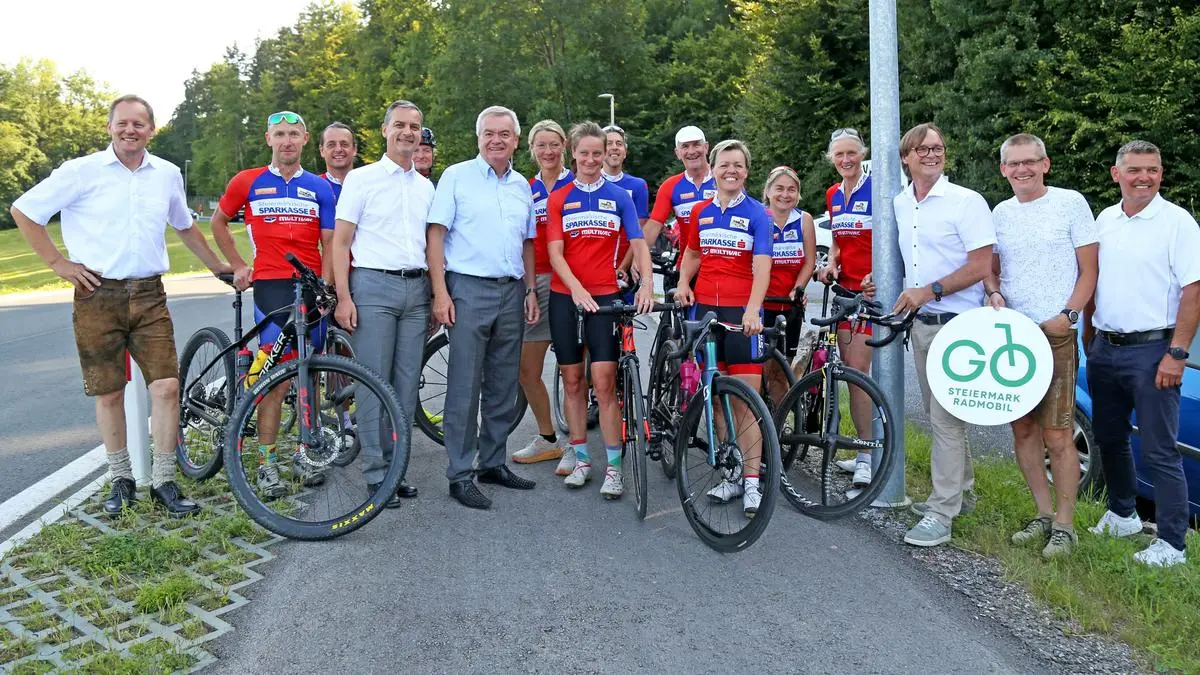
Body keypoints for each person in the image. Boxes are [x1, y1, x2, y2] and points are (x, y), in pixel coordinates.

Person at [10, 94, 231, 518]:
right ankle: (121, 479)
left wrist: (218, 266)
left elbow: (185, 226)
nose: (131, 130)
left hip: (149, 294)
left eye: (139, 124)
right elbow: (24, 211)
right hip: (97, 295)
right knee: (109, 392)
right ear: (110, 127)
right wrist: (58, 263)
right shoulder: (80, 171)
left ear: (151, 129)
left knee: (166, 387)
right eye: (123, 123)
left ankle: (165, 481)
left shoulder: (166, 174)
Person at [210, 110, 337, 498]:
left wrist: (328, 286)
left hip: (310, 286)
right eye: (280, 134)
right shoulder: (247, 181)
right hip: (271, 287)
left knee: (310, 373)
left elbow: (330, 242)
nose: (286, 141)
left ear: (304, 139)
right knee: (276, 378)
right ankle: (266, 462)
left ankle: (303, 452)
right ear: (268, 139)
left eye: (294, 134)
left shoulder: (319, 186)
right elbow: (218, 222)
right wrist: (236, 264)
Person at [1084, 140, 1199, 567]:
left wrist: (1178, 353)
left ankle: (1172, 543)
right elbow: (1096, 280)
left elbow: (1194, 290)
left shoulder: (1177, 223)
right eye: (1134, 169)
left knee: (1159, 449)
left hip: (1154, 350)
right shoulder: (1106, 220)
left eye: (1152, 169)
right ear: (1117, 174)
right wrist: (1090, 333)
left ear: (1161, 173)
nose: (1144, 177)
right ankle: (1123, 513)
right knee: (1110, 438)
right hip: (1107, 348)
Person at [984, 133, 1098, 558]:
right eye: (1013, 164)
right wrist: (993, 292)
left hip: (1055, 335)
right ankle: (1043, 515)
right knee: (1024, 429)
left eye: (1030, 161)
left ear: (1045, 164)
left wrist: (1068, 317)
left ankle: (1066, 528)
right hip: (1013, 337)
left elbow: (1090, 270)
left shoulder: (1071, 203)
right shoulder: (1000, 212)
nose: (1022, 170)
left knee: (1058, 433)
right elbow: (991, 268)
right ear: (1003, 170)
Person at [427, 105, 540, 510]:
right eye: (489, 132)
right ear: (479, 137)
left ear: (515, 140)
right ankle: (460, 474)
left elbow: (527, 242)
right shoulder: (456, 176)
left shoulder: (521, 186)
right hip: (468, 290)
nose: (497, 139)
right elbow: (436, 235)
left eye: (504, 134)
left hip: (512, 291)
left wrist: (529, 290)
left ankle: (492, 462)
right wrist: (440, 292)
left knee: (502, 384)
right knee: (463, 386)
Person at [892, 122, 995, 547]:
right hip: (922, 324)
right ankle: (962, 494)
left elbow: (981, 265)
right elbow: (911, 263)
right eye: (923, 149)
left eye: (938, 148)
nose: (932, 154)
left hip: (959, 325)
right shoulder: (901, 203)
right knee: (944, 415)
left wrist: (928, 291)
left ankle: (941, 511)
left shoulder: (966, 201)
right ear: (906, 158)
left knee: (946, 420)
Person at [331, 100, 433, 508]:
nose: (408, 132)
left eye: (415, 127)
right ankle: (375, 474)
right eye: (400, 126)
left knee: (406, 386)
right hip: (372, 287)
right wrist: (343, 296)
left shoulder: (426, 187)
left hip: (416, 288)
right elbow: (340, 243)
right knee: (374, 384)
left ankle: (396, 469)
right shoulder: (362, 179)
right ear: (384, 129)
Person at [547, 121, 655, 498]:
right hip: (566, 297)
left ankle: (613, 468)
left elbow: (639, 242)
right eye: (585, 153)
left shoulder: (620, 195)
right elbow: (555, 254)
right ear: (573, 154)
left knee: (606, 383)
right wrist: (575, 289)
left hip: (607, 298)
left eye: (598, 152)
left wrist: (648, 282)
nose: (592, 159)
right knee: (573, 381)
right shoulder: (559, 196)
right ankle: (580, 459)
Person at [674, 139, 774, 516]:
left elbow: (762, 265)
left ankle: (751, 482)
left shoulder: (757, 213)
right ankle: (730, 474)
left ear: (747, 171)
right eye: (724, 165)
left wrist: (753, 310)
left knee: (747, 404)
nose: (731, 170)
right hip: (704, 313)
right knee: (716, 399)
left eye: (738, 165)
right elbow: (693, 253)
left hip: (741, 315)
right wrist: (684, 281)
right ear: (713, 170)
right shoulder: (700, 211)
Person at [817, 128, 881, 487]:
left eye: (851, 153)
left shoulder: (876, 188)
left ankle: (867, 456)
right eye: (839, 155)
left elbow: (890, 239)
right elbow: (840, 244)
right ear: (832, 158)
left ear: (862, 154)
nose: (846, 160)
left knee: (858, 372)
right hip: (845, 291)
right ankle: (861, 447)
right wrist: (831, 265)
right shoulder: (833, 194)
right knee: (849, 373)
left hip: (871, 293)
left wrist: (880, 274)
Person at [512, 120, 573, 470]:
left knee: (573, 371)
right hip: (538, 282)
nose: (548, 151)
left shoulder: (577, 183)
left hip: (572, 284)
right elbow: (524, 242)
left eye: (554, 144)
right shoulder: (525, 187)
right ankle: (549, 438)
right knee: (527, 368)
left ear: (564, 145)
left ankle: (576, 448)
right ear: (531, 149)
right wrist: (530, 288)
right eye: (541, 145)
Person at [760, 166, 816, 404]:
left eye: (791, 189)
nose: (785, 194)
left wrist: (799, 287)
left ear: (798, 194)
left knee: (782, 372)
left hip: (790, 306)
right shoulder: (759, 217)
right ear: (768, 191)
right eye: (779, 188)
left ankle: (778, 427)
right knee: (761, 371)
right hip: (762, 305)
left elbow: (810, 260)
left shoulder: (804, 220)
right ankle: (756, 425)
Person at [644, 125, 716, 254]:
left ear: (706, 147)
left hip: (721, 266)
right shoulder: (670, 186)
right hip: (686, 266)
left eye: (696, 145)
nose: (691, 151)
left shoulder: (724, 179)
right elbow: (653, 226)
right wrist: (638, 259)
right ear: (677, 153)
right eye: (685, 146)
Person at [601, 124, 651, 293]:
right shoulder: (588, 183)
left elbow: (639, 233)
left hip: (625, 271)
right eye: (609, 143)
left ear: (625, 151)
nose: (614, 147)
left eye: (619, 143)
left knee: (623, 319)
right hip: (594, 269)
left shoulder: (637, 185)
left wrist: (623, 267)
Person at [319, 121, 357, 202]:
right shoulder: (313, 187)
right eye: (331, 145)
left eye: (344, 144)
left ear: (354, 149)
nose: (338, 149)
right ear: (322, 151)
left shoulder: (368, 185)